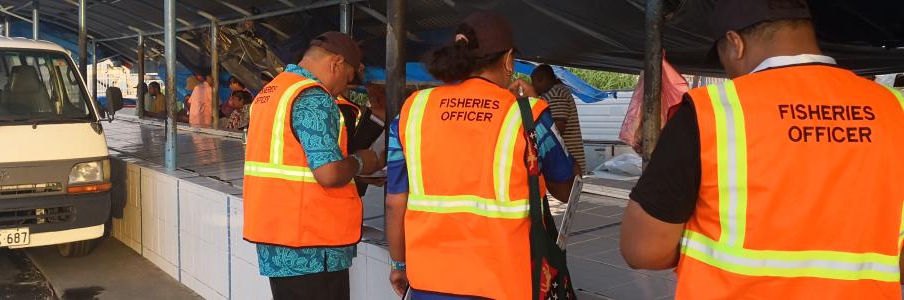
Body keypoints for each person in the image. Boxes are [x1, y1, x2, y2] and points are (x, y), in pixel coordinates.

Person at [619, 0, 904, 299]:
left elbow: (643, 251)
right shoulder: (893, 109)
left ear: (735, 43)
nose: (728, 71)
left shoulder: (712, 112)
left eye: (723, 59)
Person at [385, 12, 575, 300]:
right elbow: (566, 188)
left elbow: (394, 201)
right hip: (507, 284)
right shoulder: (527, 115)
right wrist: (534, 98)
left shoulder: (412, 111)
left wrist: (399, 263)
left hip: (429, 281)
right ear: (509, 59)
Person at [242, 31, 383, 300]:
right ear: (337, 63)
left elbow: (294, 160)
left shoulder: (271, 91)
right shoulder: (313, 97)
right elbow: (328, 173)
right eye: (348, 78)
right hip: (311, 242)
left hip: (279, 236)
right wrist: (362, 161)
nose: (343, 87)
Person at [532, 64, 585, 175]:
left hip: (567, 161)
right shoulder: (554, 92)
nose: (533, 86)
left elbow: (558, 128)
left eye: (533, 83)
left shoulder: (556, 93)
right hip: (566, 160)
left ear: (540, 79)